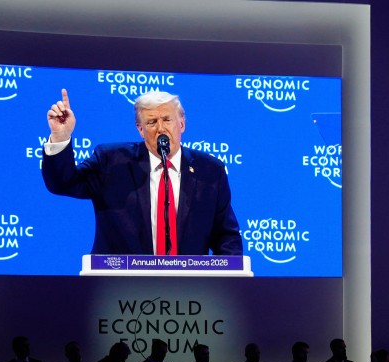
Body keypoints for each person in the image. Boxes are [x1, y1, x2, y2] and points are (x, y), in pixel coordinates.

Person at [42, 88, 243, 256]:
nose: (160, 128)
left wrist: (224, 283)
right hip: (118, 287)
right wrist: (60, 136)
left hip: (188, 291)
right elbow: (63, 183)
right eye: (151, 122)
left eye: (167, 120)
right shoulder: (112, 162)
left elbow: (227, 238)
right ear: (140, 129)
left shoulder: (209, 171)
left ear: (181, 124)